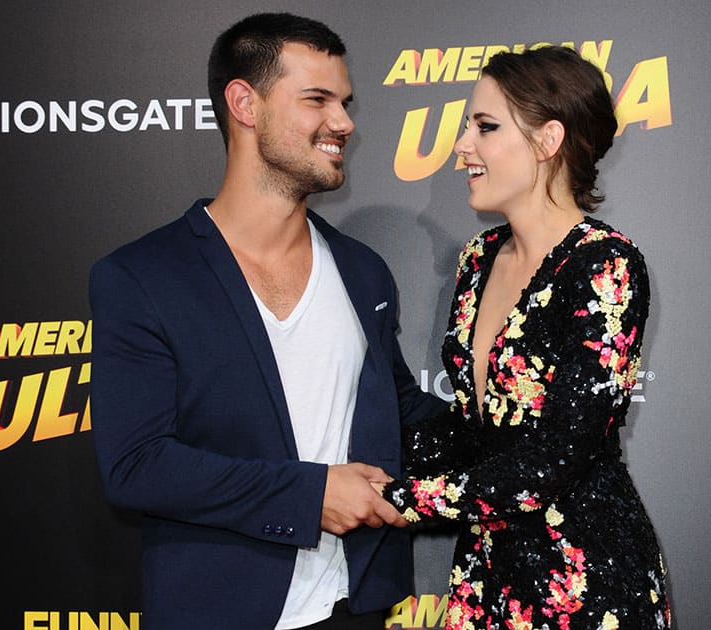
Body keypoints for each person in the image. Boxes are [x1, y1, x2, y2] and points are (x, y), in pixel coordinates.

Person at [88, 12, 446, 630]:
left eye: (345, 102)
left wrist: (529, 432)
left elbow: (399, 411)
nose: (344, 122)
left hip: (357, 604)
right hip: (220, 609)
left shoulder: (363, 272)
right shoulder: (142, 276)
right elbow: (137, 465)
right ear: (243, 103)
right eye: (317, 100)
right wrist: (310, 497)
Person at [383, 46, 672, 629]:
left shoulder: (606, 266)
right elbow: (474, 429)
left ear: (549, 140)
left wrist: (401, 500)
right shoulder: (478, 258)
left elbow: (557, 453)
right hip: (487, 571)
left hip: (585, 578)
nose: (462, 146)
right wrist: (368, 462)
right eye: (469, 126)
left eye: (485, 127)